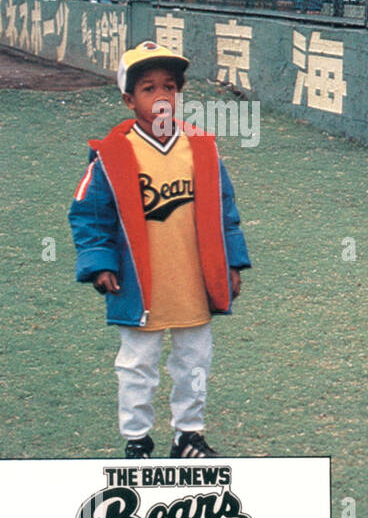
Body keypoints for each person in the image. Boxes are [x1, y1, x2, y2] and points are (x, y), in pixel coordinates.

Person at [68, 42, 251, 459]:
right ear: (129, 99)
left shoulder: (201, 146)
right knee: (137, 365)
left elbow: (226, 210)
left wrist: (234, 262)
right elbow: (88, 214)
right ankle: (137, 439)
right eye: (149, 88)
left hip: (193, 279)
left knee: (195, 362)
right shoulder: (112, 152)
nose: (162, 96)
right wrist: (100, 264)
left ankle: (188, 435)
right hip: (139, 283)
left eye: (170, 86)